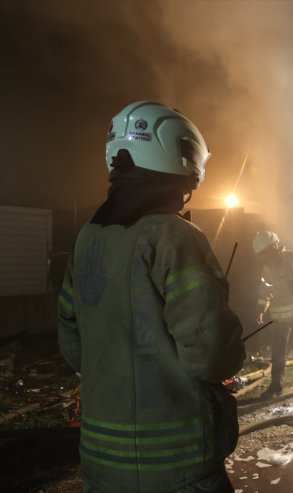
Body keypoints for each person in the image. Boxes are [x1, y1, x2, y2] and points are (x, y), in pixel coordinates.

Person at [57, 101, 246, 493]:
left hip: (101, 461)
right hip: (178, 465)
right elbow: (209, 352)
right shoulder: (176, 237)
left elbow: (72, 343)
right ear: (176, 155)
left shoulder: (87, 238)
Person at [252, 230, 293, 399]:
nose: (265, 257)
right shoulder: (267, 269)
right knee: (277, 354)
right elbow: (265, 291)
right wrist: (260, 310)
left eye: (267, 252)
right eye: (262, 255)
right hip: (279, 318)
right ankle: (276, 387)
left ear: (276, 246)